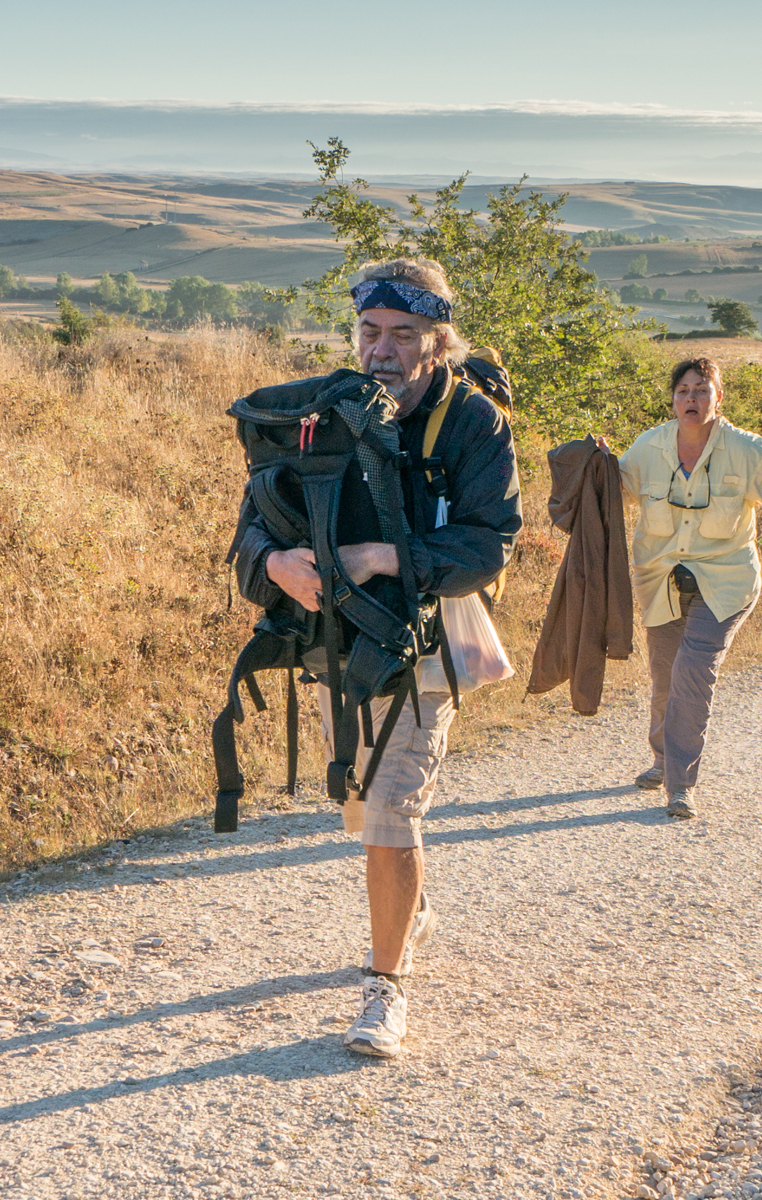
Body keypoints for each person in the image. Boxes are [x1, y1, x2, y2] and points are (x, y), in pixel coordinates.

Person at [233, 258, 521, 1056]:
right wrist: (277, 566)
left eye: (403, 335)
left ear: (438, 342)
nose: (383, 350)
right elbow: (251, 526)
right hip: (340, 648)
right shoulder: (322, 412)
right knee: (363, 808)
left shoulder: (471, 422)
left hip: (426, 643)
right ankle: (411, 909)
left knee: (391, 815)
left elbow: (491, 542)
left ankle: (384, 991)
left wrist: (382, 557)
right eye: (370, 332)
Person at [613, 356, 762, 818]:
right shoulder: (649, 446)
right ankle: (662, 759)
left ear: (719, 398)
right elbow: (613, 488)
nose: (691, 398)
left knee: (691, 674)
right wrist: (591, 461)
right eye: (683, 391)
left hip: (726, 583)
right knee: (664, 677)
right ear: (673, 399)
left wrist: (753, 451)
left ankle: (681, 785)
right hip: (661, 580)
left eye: (702, 390)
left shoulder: (742, 448)